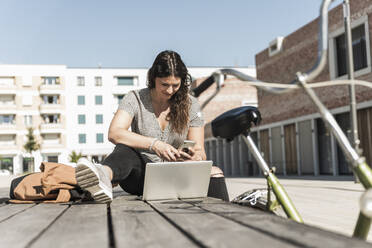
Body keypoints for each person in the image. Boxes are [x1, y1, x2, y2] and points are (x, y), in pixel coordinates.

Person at [75, 50, 229, 203]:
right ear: (153, 78)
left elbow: (200, 150)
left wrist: (195, 157)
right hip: (140, 176)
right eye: (164, 84)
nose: (170, 90)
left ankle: (225, 220)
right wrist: (155, 145)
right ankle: (102, 177)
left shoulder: (191, 104)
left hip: (176, 176)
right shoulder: (134, 98)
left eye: (175, 85)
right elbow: (114, 133)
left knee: (215, 173)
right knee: (126, 148)